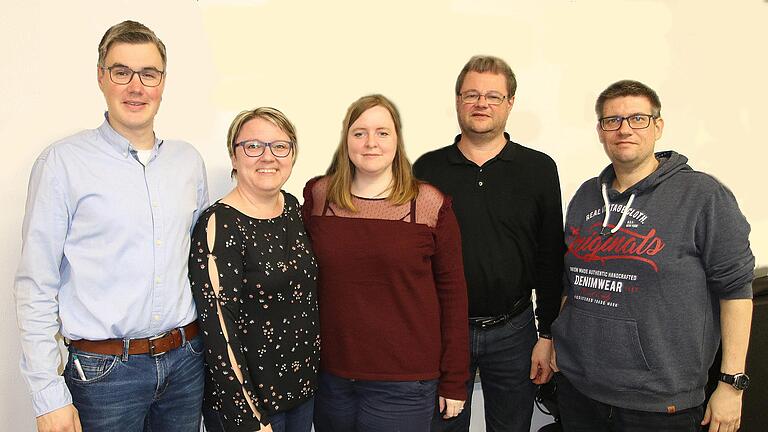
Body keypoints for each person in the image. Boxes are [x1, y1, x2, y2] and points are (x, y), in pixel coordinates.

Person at [14, 20, 209, 432]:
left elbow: (199, 265)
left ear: (163, 82)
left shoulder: (188, 163)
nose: (135, 86)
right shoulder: (62, 164)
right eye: (121, 72)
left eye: (148, 74)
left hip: (186, 364)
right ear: (102, 77)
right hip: (103, 376)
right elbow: (36, 285)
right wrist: (48, 395)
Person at [551, 80, 755, 432]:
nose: (624, 129)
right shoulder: (587, 196)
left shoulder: (703, 196)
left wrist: (731, 385)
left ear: (658, 126)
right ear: (601, 131)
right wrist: (557, 340)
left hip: (660, 404)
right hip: (580, 391)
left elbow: (736, 291)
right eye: (612, 120)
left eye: (637, 118)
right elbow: (571, 281)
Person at [413, 55, 565, 432]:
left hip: (514, 332)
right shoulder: (426, 170)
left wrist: (547, 334)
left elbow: (550, 256)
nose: (482, 103)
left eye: (494, 96)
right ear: (458, 100)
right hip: (444, 333)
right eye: (472, 95)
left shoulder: (539, 169)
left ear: (510, 103)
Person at [303, 94, 469, 432]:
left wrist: (455, 379)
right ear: (346, 139)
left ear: (398, 140)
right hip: (331, 379)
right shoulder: (318, 197)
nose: (370, 143)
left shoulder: (429, 204)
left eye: (382, 132)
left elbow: (453, 297)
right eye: (359, 132)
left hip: (404, 383)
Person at [189, 107, 319, 432]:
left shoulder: (292, 208)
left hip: (300, 395)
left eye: (280, 146)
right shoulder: (219, 224)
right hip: (250, 406)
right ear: (234, 156)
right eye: (253, 146)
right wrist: (250, 416)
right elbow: (219, 330)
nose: (268, 156)